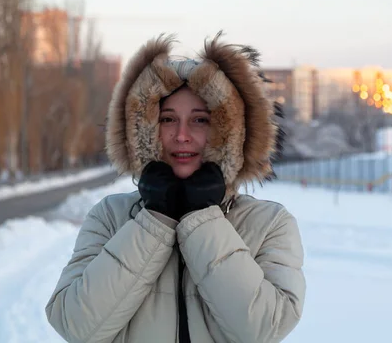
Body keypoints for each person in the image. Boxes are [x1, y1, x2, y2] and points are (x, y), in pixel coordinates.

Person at [45, 32, 306, 343]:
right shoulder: (110, 217)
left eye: (200, 120)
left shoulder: (268, 224)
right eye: (168, 119)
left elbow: (265, 327)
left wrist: (204, 220)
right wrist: (154, 219)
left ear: (229, 130)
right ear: (146, 129)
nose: (182, 136)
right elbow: (75, 324)